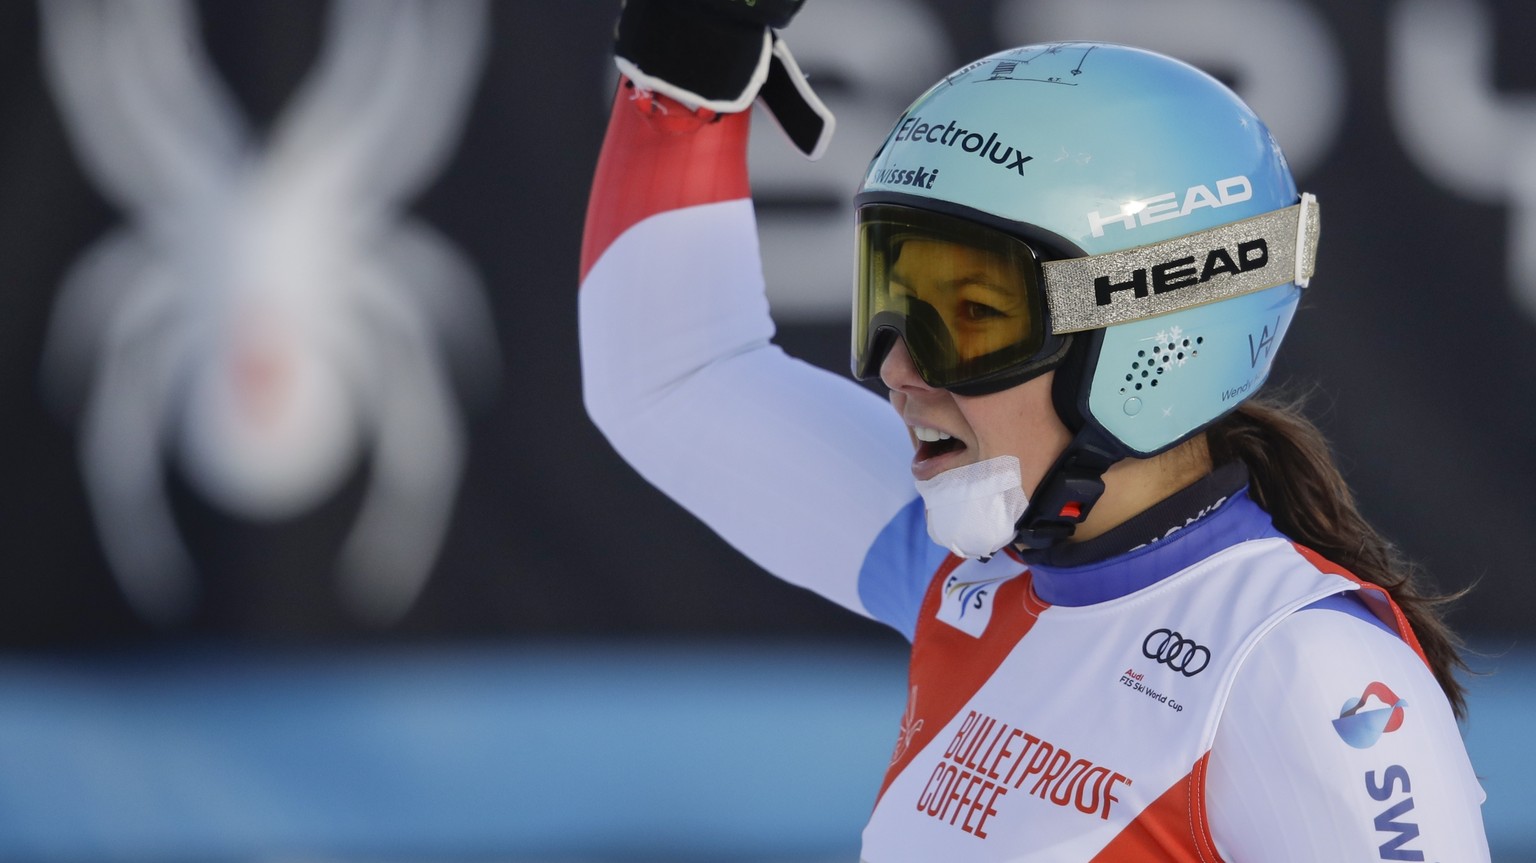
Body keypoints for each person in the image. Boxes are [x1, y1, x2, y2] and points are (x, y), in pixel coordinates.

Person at [579, 1, 1491, 859]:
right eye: (891, 300)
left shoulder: (1306, 670)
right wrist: (681, 80)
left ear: (1154, 340)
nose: (898, 368)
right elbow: (677, 377)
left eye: (968, 314)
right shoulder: (969, 563)